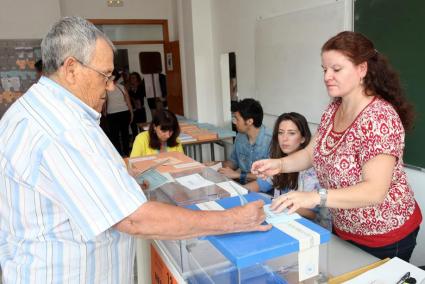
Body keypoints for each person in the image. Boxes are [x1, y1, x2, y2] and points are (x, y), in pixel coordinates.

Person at [0, 16, 270, 284]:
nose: (109, 85)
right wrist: (233, 219)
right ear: (71, 69)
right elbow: (134, 220)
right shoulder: (65, 128)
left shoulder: (27, 110)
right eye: (105, 75)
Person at [252, 31, 422, 261]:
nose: (327, 76)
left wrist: (313, 197)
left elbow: (374, 190)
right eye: (324, 69)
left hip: (385, 236)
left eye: (336, 69)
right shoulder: (334, 109)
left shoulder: (379, 117)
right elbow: (312, 153)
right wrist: (279, 164)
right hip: (345, 229)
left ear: (362, 69)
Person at [245, 112, 331, 230]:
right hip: (283, 219)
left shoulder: (311, 172)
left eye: (291, 133)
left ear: (303, 139)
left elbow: (313, 215)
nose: (284, 139)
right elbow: (260, 184)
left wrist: (281, 204)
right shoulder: (278, 161)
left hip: (309, 227)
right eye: (281, 133)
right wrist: (235, 192)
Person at [219, 98, 272, 184]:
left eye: (237, 119)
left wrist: (238, 175)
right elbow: (233, 162)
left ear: (249, 121)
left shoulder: (270, 140)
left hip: (263, 190)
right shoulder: (240, 136)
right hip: (243, 185)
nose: (234, 122)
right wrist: (216, 166)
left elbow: (270, 176)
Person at [105, 69, 133, 156]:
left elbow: (105, 102)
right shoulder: (122, 87)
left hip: (112, 114)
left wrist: (105, 112)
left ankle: (118, 154)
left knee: (114, 136)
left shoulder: (106, 88)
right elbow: (128, 102)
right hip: (124, 112)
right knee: (125, 134)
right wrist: (131, 113)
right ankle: (126, 153)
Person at [128, 71, 147, 138]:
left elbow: (139, 97)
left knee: (142, 129)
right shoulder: (128, 89)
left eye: (134, 78)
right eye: (131, 78)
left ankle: (145, 144)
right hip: (132, 111)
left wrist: (133, 91)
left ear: (137, 79)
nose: (132, 79)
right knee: (134, 130)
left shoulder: (141, 87)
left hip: (140, 110)